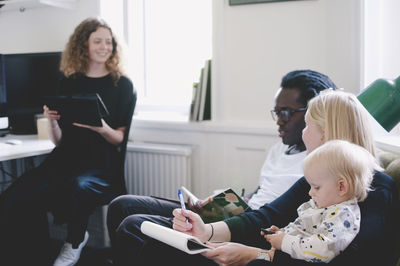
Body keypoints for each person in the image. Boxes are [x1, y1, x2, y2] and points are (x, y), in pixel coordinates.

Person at [105, 70, 337, 265]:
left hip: (256, 228)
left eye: (286, 112)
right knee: (122, 205)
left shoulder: (319, 166)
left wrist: (212, 227)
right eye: (277, 112)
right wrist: (220, 203)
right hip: (242, 212)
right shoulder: (280, 148)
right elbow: (261, 194)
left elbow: (274, 215)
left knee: (133, 226)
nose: (279, 119)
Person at [170, 90, 398, 266]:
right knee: (137, 220)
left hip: (268, 249)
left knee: (139, 228)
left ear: (326, 133)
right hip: (263, 238)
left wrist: (256, 255)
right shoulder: (313, 178)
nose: (302, 133)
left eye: (307, 125)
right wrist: (206, 230)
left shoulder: (373, 189)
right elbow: (266, 215)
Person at [0, 17, 136, 266]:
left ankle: (74, 240)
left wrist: (101, 128)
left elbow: (119, 138)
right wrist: (51, 121)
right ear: (84, 44)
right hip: (64, 159)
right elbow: (59, 141)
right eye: (98, 41)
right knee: (14, 196)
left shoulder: (123, 86)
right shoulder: (69, 81)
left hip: (101, 164)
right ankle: (24, 254)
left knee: (78, 186)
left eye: (109, 42)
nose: (105, 47)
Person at [260, 139, 380, 263]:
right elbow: (304, 228)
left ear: (341, 187)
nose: (310, 192)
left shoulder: (343, 216)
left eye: (316, 187)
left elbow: (321, 250)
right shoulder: (325, 205)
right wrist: (283, 233)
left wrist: (284, 241)